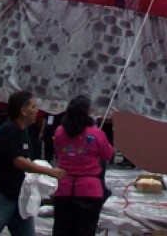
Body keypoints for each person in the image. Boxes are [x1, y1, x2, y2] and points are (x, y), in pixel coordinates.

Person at [0, 89, 65, 236]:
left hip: (20, 194)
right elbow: (18, 161)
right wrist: (49, 172)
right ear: (23, 110)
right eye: (33, 107)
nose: (37, 111)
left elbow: (26, 159)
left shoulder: (24, 131)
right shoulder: (9, 130)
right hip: (0, 195)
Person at [51, 95, 113, 236]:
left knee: (62, 229)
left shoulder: (59, 131)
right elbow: (108, 154)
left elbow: (57, 150)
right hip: (89, 190)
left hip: (64, 188)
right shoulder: (96, 134)